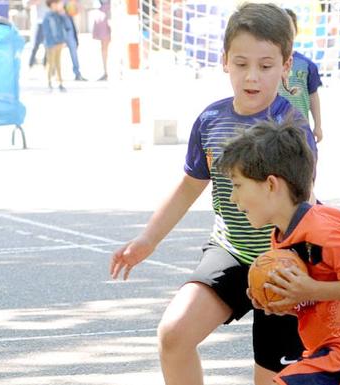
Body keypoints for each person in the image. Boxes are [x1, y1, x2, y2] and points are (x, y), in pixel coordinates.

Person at [109, 3, 318, 385]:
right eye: (241, 64)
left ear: (287, 65)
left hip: (282, 262)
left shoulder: (292, 127)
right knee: (174, 334)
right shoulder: (210, 121)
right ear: (224, 61)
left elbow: (304, 205)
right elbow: (190, 185)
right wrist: (147, 239)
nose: (252, 76)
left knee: (269, 379)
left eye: (266, 65)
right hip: (232, 251)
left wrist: (305, 274)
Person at [215, 119, 340, 385]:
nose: (233, 199)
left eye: (237, 186)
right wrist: (282, 302)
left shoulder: (323, 230)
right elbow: (325, 303)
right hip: (339, 350)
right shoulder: (282, 238)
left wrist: (309, 290)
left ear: (271, 185)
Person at [279, 9, 323, 143]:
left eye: (288, 28)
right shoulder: (265, 63)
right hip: (271, 126)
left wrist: (318, 126)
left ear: (295, 31)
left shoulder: (307, 65)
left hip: (300, 128)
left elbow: (313, 95)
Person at [42, 0, 67, 92]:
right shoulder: (47, 16)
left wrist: (63, 14)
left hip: (59, 42)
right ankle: (49, 82)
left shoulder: (59, 15)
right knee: (50, 63)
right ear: (51, 4)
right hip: (51, 43)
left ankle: (60, 82)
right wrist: (50, 42)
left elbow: (66, 26)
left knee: (58, 63)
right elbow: (46, 31)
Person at [63, 0, 87, 81]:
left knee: (73, 48)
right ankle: (54, 74)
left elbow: (79, 8)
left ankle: (77, 73)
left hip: (68, 24)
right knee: (55, 50)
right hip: (57, 24)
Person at [92, 0, 110, 80]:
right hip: (102, 14)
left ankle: (115, 70)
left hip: (112, 12)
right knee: (104, 46)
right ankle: (105, 71)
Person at [28, 0, 48, 68]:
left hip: (49, 21)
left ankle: (46, 65)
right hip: (40, 22)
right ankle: (31, 63)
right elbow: (28, 3)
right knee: (36, 44)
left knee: (48, 45)